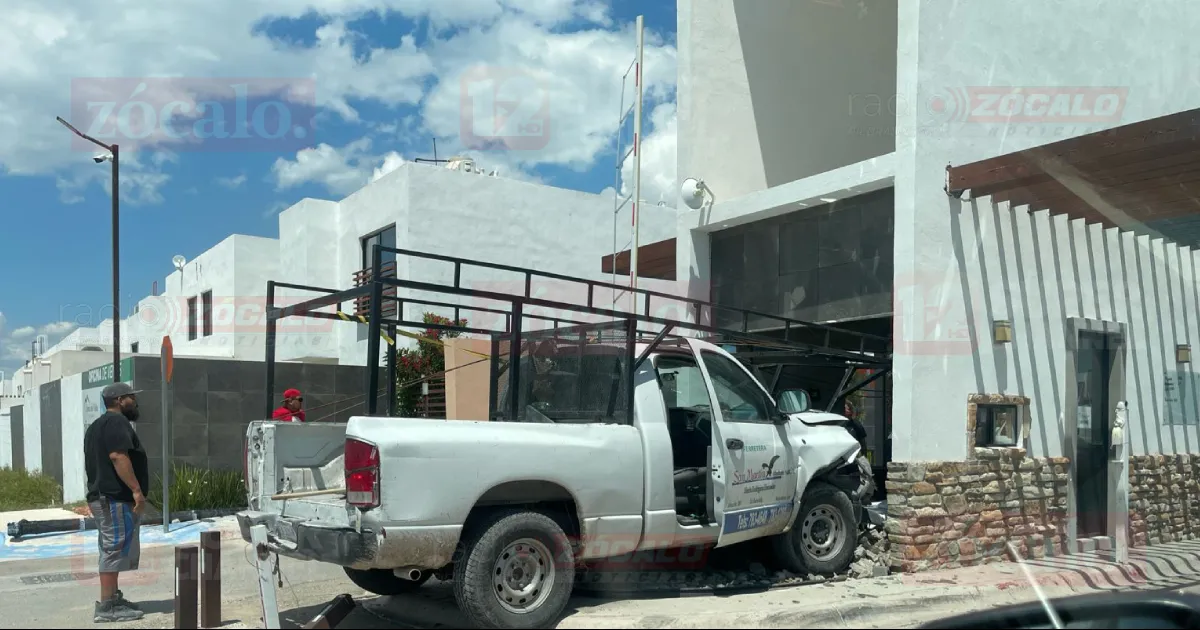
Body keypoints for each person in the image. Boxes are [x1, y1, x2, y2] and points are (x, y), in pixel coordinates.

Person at [84, 382, 149, 623]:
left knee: (112, 547)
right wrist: (136, 491)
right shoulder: (116, 422)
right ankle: (107, 606)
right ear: (120, 400)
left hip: (105, 498)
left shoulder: (97, 426)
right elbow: (118, 456)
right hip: (113, 499)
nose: (135, 401)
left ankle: (112, 597)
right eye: (132, 397)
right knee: (113, 549)